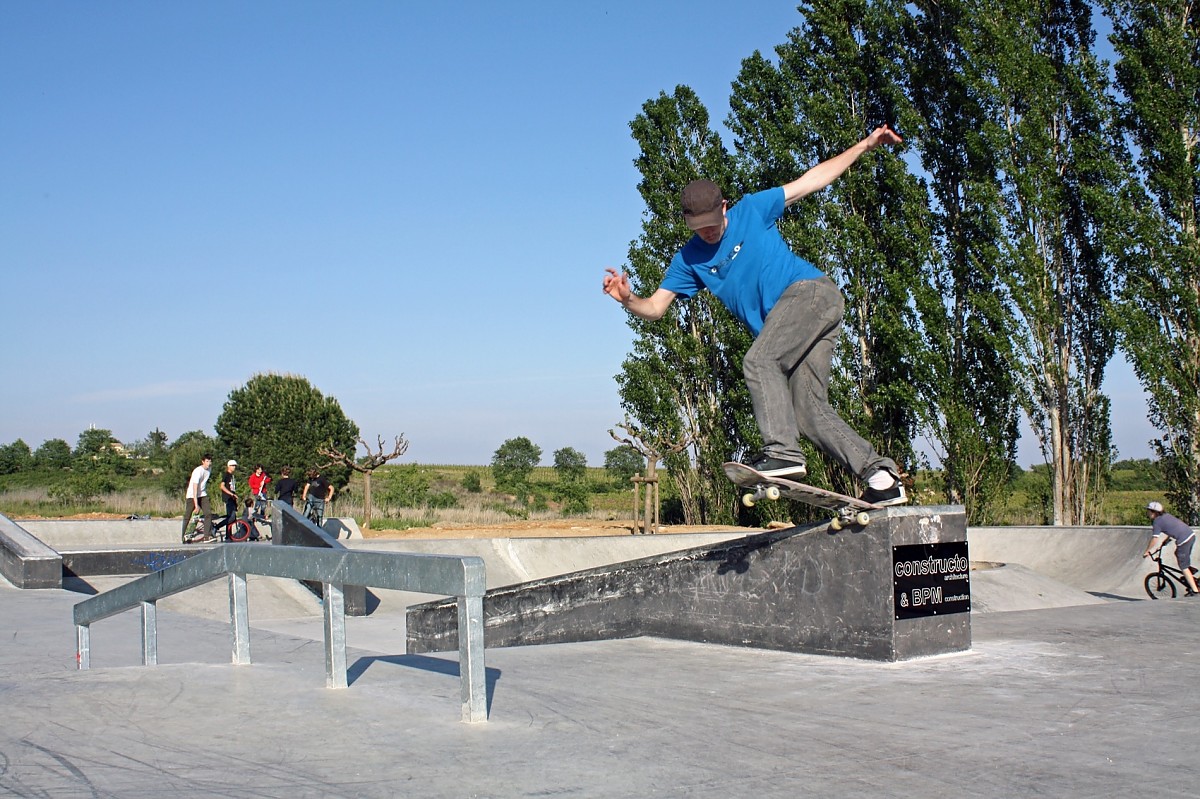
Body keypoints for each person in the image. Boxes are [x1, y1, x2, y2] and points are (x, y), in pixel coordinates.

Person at [602, 125, 907, 506]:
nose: (709, 232)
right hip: (804, 322)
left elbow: (810, 181)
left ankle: (782, 452)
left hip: (811, 294)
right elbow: (655, 308)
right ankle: (881, 477)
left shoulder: (752, 210)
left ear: (725, 207)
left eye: (713, 223)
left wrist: (864, 145)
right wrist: (627, 299)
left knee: (760, 360)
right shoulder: (689, 260)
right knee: (809, 412)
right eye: (699, 228)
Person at [1143, 501, 1199, 596]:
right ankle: (1190, 572)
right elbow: (1172, 528)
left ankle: (1195, 590)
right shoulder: (1166, 516)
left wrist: (1148, 551)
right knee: (1177, 553)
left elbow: (1155, 538)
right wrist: (1166, 540)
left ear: (1154, 512)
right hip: (1191, 535)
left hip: (1183, 541)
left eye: (1148, 511)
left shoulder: (1157, 522)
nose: (1147, 513)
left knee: (1183, 566)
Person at [182, 453, 213, 543]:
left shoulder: (209, 470)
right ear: (203, 462)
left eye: (210, 461)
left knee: (208, 513)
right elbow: (195, 488)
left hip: (202, 494)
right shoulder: (198, 471)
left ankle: (206, 537)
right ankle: (183, 537)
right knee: (188, 515)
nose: (208, 463)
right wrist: (196, 505)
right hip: (192, 495)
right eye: (207, 461)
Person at [212, 459, 239, 536]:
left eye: (235, 466)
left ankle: (228, 535)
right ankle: (216, 527)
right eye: (232, 466)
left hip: (232, 498)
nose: (234, 467)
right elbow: (222, 486)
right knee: (231, 517)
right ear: (228, 466)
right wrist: (231, 494)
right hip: (228, 498)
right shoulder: (226, 475)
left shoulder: (232, 476)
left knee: (231, 517)